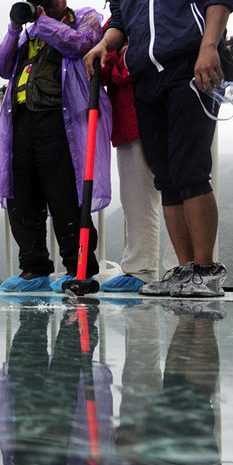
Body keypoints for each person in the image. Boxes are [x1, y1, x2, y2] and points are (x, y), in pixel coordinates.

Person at [85, 1, 232, 297]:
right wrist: (104, 43)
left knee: (190, 170)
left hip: (189, 67)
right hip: (146, 79)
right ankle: (186, 269)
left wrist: (209, 47)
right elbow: (119, 24)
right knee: (166, 178)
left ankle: (206, 271)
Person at [0, 0, 112, 293]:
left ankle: (78, 268)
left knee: (65, 195)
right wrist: (14, 27)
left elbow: (82, 43)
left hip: (60, 120)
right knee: (22, 196)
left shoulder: (84, 17)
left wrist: (43, 23)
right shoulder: (27, 31)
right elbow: (5, 68)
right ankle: (33, 269)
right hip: (22, 121)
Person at [98, 32, 178, 293]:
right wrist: (121, 58)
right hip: (127, 120)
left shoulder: (156, 11)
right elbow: (104, 67)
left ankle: (181, 269)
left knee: (178, 191)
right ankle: (139, 270)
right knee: (135, 201)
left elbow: (147, 56)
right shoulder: (113, 26)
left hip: (165, 113)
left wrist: (122, 58)